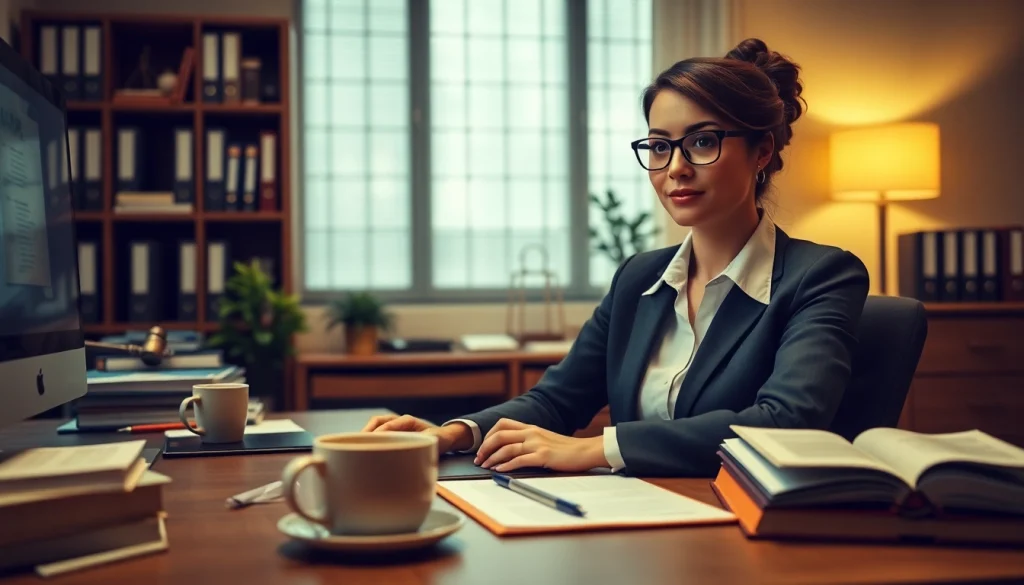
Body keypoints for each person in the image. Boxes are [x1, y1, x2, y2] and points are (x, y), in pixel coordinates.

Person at [362, 38, 870, 477]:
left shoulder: (820, 276)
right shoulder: (640, 278)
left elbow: (786, 421)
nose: (675, 168)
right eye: (658, 146)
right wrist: (451, 434)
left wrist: (598, 448)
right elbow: (557, 400)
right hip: (639, 521)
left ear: (761, 152)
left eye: (702, 142)